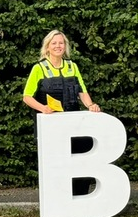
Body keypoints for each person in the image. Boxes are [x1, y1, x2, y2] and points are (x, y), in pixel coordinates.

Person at [21, 29, 102, 195]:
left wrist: (90, 105)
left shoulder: (73, 66)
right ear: (48, 47)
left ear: (65, 46)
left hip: (74, 123)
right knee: (57, 163)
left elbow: (82, 91)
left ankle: (81, 196)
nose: (58, 46)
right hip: (51, 125)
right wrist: (43, 108)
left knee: (81, 158)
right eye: (54, 43)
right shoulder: (39, 68)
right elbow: (27, 97)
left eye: (61, 43)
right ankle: (59, 198)